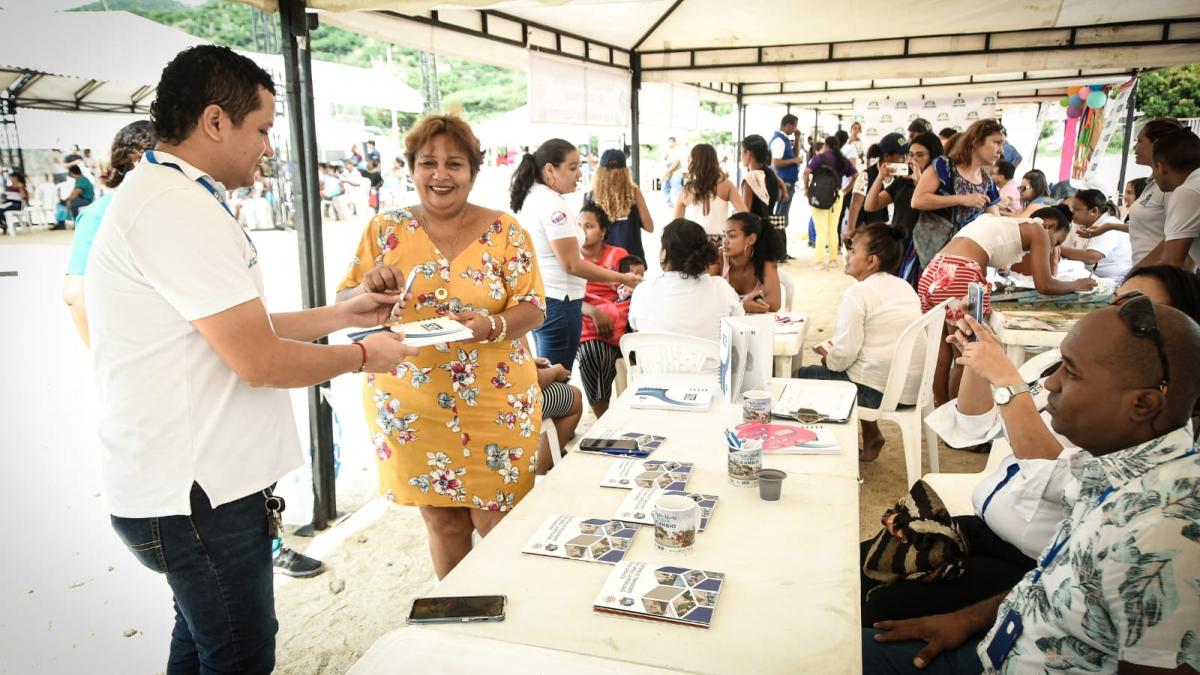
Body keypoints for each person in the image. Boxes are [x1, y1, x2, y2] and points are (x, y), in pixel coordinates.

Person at [86, 45, 416, 673]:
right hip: (196, 495)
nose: (268, 146)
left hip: (190, 489)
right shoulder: (172, 205)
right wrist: (363, 356)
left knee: (202, 643)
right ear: (215, 121)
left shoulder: (173, 194)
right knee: (238, 657)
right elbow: (258, 359)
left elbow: (234, 327)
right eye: (261, 129)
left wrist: (342, 314)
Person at [862, 302, 1200, 675]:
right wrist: (966, 620)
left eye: (1071, 373)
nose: (1051, 383)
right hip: (994, 646)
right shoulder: (1121, 465)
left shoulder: (1164, 537)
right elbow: (1060, 580)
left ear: (1144, 403)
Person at [338, 114, 546, 580]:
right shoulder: (383, 230)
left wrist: (490, 325)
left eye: (455, 164)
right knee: (443, 520)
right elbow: (345, 303)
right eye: (427, 162)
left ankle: (508, 620)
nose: (441, 175)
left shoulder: (506, 231)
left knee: (501, 522)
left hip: (498, 402)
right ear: (410, 168)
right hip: (413, 402)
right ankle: (457, 619)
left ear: (473, 171)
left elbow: (533, 307)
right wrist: (370, 285)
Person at [919, 207, 1095, 406]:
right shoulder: (1039, 231)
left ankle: (942, 414)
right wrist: (1078, 285)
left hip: (933, 270)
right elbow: (1045, 285)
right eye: (1058, 242)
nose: (1054, 249)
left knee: (942, 355)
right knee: (966, 357)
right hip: (959, 274)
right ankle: (958, 423)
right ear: (1050, 226)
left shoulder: (1001, 223)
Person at [511, 138, 641, 369]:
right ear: (550, 170)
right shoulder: (552, 206)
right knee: (558, 377)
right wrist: (620, 277)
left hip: (546, 297)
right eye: (573, 168)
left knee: (550, 371)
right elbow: (571, 264)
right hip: (560, 302)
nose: (580, 174)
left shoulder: (535, 197)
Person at [797, 223, 923, 461]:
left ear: (872, 261)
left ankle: (826, 450)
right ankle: (872, 435)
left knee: (800, 376)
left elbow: (844, 355)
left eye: (854, 251)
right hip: (912, 388)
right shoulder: (904, 286)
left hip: (879, 393)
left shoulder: (858, 294)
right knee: (864, 366)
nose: (848, 255)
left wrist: (828, 359)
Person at [63, 120, 156, 347]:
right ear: (137, 158)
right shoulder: (102, 214)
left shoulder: (163, 207)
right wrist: (102, 358)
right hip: (134, 351)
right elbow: (75, 295)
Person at [628, 218, 743, 348]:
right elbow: (740, 330)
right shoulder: (721, 288)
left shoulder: (642, 291)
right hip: (710, 368)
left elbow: (636, 331)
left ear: (664, 254)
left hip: (654, 368)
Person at [577, 203, 639, 418]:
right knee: (592, 351)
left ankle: (610, 414)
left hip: (617, 320)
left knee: (604, 350)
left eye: (588, 226)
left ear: (603, 231)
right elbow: (569, 299)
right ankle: (603, 415)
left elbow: (632, 289)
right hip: (585, 318)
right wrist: (594, 312)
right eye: (578, 226)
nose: (582, 231)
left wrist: (613, 311)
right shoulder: (572, 260)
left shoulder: (618, 254)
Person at [865, 132, 944, 288]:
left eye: (920, 156)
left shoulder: (941, 183)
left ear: (933, 157)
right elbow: (871, 205)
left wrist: (920, 182)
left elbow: (931, 209)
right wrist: (880, 176)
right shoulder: (902, 181)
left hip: (922, 252)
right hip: (898, 246)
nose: (913, 160)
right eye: (911, 155)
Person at [911, 117, 1003, 248]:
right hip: (934, 252)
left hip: (967, 252)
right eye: (997, 142)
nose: (1001, 150)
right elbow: (918, 200)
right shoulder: (944, 166)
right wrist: (962, 199)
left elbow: (994, 222)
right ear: (976, 142)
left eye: (1002, 144)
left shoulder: (988, 183)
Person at [1123, 118, 1185, 266]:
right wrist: (1110, 226)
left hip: (1158, 276)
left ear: (1157, 143)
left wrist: (1137, 273)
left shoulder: (1171, 186)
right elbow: (1149, 226)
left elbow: (1177, 238)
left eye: (1139, 141)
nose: (1134, 147)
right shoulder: (1152, 183)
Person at [1137, 128, 1200, 270]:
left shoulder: (1187, 191)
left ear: (1162, 166)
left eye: (1153, 167)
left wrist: (1132, 283)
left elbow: (1172, 262)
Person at [674, 143, 748, 246]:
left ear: (694, 162)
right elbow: (745, 214)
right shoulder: (727, 185)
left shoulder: (686, 190)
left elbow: (675, 226)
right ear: (714, 161)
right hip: (720, 244)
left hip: (693, 243)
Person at [588, 148, 653, 261]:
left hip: (601, 261)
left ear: (600, 172)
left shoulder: (590, 196)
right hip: (630, 260)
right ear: (625, 171)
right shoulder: (634, 193)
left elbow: (583, 233)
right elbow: (649, 227)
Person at [804, 134, 857, 270]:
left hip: (818, 194)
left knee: (821, 230)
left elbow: (806, 172)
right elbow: (856, 175)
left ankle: (819, 261)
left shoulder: (819, 158)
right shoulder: (843, 160)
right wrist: (845, 190)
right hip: (837, 195)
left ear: (826, 145)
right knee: (833, 229)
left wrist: (806, 188)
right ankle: (833, 260)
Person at [1059, 188, 1132, 280]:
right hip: (1084, 275)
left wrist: (1055, 248)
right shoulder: (1078, 224)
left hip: (1113, 281)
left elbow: (1091, 257)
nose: (1072, 213)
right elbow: (1065, 248)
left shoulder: (1110, 225)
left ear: (1093, 211)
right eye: (1072, 208)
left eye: (1077, 209)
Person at [720, 212, 783, 314]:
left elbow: (774, 303)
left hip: (757, 326)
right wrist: (741, 306)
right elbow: (704, 299)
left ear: (751, 239)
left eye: (732, 236)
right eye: (723, 235)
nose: (724, 241)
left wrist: (738, 307)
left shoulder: (766, 261)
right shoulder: (718, 259)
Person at [848, 136, 904, 234]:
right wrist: (850, 230)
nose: (904, 159)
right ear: (887, 156)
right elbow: (855, 205)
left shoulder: (900, 177)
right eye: (901, 155)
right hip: (870, 232)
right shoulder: (866, 176)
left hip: (891, 233)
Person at [770, 114, 804, 232]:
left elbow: (795, 154)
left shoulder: (785, 139)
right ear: (788, 125)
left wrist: (797, 138)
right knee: (780, 216)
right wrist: (794, 161)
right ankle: (777, 242)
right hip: (783, 183)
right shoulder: (779, 140)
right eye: (795, 126)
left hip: (788, 182)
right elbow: (776, 163)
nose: (795, 128)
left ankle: (779, 240)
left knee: (783, 215)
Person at [740, 134, 781, 228]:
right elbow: (778, 197)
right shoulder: (772, 174)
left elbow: (745, 214)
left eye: (741, 152)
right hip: (772, 230)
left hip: (757, 233)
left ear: (748, 153)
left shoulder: (750, 179)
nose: (741, 156)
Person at [1, 170, 28, 234]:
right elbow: (4, 199)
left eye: (13, 177)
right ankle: (5, 224)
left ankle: (7, 224)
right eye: (11, 177)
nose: (12, 179)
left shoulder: (21, 186)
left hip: (17, 204)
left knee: (1, 210)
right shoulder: (9, 187)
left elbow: (24, 197)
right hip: (8, 203)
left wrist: (21, 188)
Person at [661, 136, 684, 207]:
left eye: (669, 142)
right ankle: (670, 204)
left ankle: (680, 204)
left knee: (676, 189)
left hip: (675, 173)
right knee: (666, 189)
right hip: (668, 173)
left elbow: (676, 163)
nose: (668, 144)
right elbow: (664, 160)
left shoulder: (678, 150)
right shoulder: (668, 151)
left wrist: (668, 171)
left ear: (674, 142)